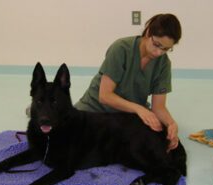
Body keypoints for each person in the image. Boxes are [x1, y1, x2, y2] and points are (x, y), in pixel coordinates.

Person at [74, 13, 182, 152]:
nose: (158, 53)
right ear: (148, 32)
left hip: (127, 115)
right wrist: (139, 109)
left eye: (166, 49)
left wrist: (171, 123)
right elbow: (105, 96)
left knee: (155, 142)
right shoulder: (121, 49)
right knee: (73, 142)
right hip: (95, 109)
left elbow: (158, 107)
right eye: (157, 45)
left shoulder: (163, 64)